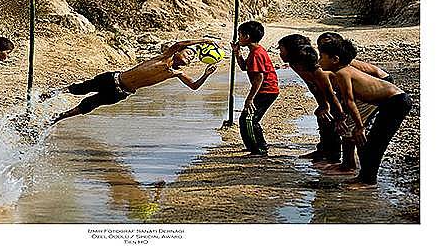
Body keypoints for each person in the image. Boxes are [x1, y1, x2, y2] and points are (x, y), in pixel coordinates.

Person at [42, 38, 218, 124]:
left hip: (121, 93)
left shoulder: (176, 73)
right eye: (189, 53)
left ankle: (54, 119)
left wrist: (206, 74)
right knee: (80, 89)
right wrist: (204, 40)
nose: (190, 57)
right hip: (113, 79)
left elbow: (194, 86)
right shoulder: (165, 56)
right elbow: (180, 43)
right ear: (179, 53)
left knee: (87, 105)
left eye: (193, 57)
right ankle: (52, 93)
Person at [318, 38, 411, 188]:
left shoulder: (342, 73)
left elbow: (350, 101)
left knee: (375, 143)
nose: (319, 60)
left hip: (396, 102)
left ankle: (369, 181)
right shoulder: (343, 70)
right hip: (389, 102)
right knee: (368, 142)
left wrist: (360, 127)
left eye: (322, 56)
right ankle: (364, 177)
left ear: (335, 59)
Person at [317, 32, 393, 174]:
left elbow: (349, 97)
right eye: (320, 46)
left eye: (325, 46)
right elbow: (342, 94)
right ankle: (349, 163)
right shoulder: (335, 65)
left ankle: (350, 165)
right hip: (372, 89)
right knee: (349, 124)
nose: (320, 55)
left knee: (351, 126)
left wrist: (346, 117)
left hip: (381, 85)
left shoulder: (343, 67)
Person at [278, 35, 346, 163]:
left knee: (333, 120)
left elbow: (331, 95)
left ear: (292, 51)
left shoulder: (318, 69)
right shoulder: (294, 64)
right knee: (322, 115)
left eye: (282, 50)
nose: (280, 54)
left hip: (345, 93)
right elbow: (313, 87)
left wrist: (337, 114)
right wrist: (322, 106)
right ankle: (323, 150)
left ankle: (334, 156)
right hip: (333, 94)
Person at [231, 21, 279, 156]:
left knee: (249, 119)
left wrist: (250, 98)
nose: (238, 37)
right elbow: (244, 67)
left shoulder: (257, 54)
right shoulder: (255, 51)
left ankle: (259, 148)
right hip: (265, 90)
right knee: (247, 118)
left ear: (246, 36)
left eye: (240, 34)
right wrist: (237, 53)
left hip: (267, 90)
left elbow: (259, 78)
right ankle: (254, 146)